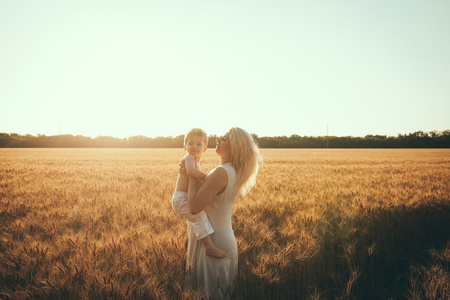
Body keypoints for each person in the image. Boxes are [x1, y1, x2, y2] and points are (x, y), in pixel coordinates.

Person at [180, 127, 262, 299]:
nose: (217, 139)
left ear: (235, 148)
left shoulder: (221, 172)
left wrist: (191, 176)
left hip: (214, 244)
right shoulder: (231, 171)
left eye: (224, 139)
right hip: (220, 240)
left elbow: (194, 207)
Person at [172, 128, 227, 259]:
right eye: (190, 143)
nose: (194, 147)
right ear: (185, 147)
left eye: (198, 144)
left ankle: (191, 242)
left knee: (195, 220)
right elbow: (191, 172)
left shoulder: (198, 161)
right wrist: (208, 178)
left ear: (205, 148)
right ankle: (209, 247)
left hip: (185, 198)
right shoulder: (189, 157)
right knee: (199, 217)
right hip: (181, 199)